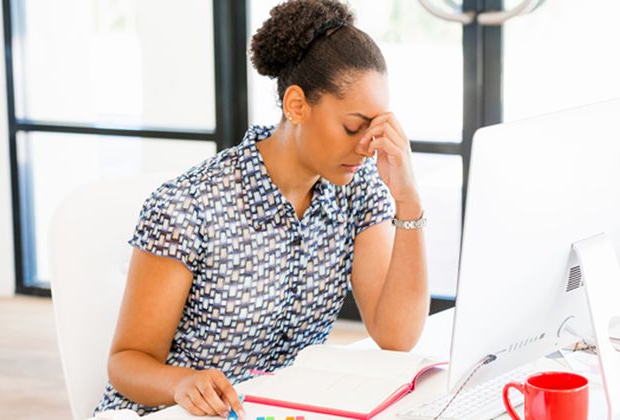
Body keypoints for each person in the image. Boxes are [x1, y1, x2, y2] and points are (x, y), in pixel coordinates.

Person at [92, 0, 429, 418]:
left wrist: (408, 199)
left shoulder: (357, 189)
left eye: (376, 127)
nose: (367, 145)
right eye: (353, 126)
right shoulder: (189, 205)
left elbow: (397, 336)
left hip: (276, 410)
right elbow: (126, 362)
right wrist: (181, 382)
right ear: (296, 105)